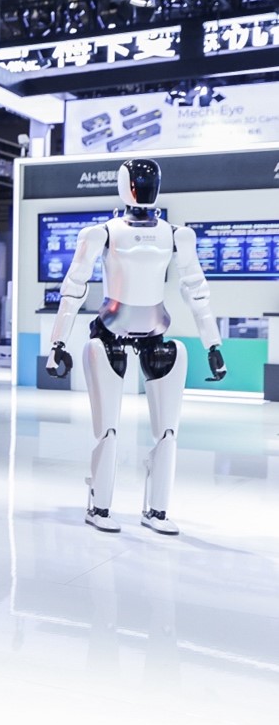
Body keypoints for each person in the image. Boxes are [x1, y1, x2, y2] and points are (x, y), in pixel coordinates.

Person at [45, 158, 226, 535]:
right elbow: (74, 287)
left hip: (156, 335)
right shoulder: (102, 233)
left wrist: (213, 344)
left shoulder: (177, 236)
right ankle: (99, 506)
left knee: (168, 431)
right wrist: (57, 342)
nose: (143, 188)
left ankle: (157, 511)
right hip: (108, 335)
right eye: (139, 182)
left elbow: (197, 291)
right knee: (108, 430)